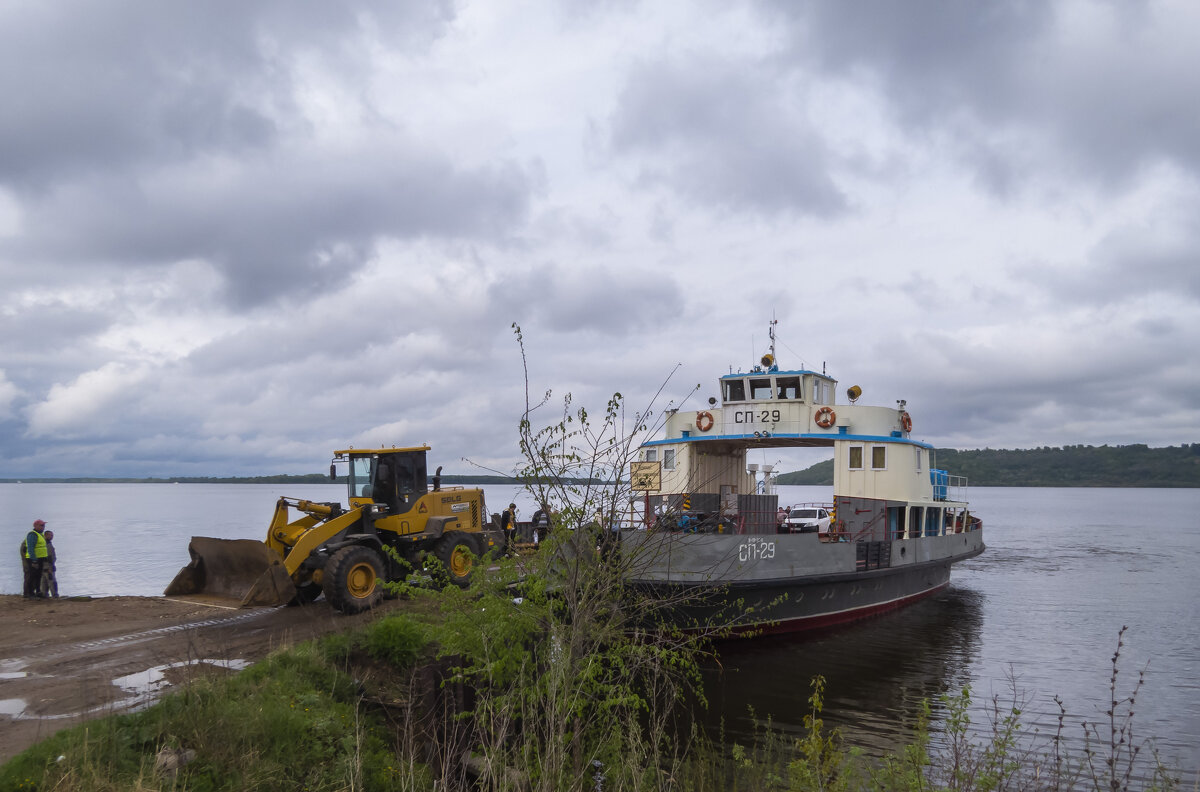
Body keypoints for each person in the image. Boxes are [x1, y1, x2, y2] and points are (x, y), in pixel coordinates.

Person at [22, 519, 49, 599]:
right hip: (33, 559)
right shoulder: (32, 535)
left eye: (43, 525)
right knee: (32, 576)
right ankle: (30, 593)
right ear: (35, 526)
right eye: (41, 525)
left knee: (38, 576)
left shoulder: (40, 535)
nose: (43, 527)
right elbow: (30, 548)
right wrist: (34, 560)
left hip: (40, 558)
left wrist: (45, 558)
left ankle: (38, 592)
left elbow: (42, 548)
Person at [40, 530, 59, 598]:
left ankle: (44, 595)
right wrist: (51, 566)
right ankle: (55, 595)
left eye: (52, 535)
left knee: (44, 582)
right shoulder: (46, 545)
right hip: (48, 567)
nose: (52, 537)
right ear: (45, 535)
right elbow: (50, 557)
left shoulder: (46, 544)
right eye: (50, 535)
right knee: (52, 582)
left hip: (44, 566)